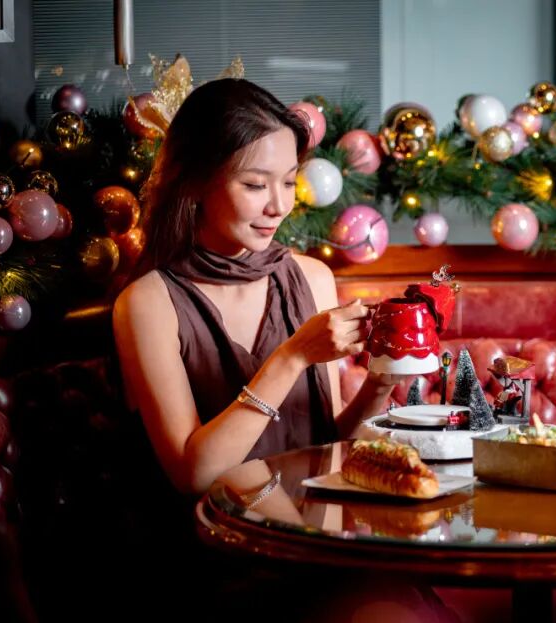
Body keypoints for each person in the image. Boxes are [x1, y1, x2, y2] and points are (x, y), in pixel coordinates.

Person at [113, 78, 399, 496]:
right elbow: (194, 475)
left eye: (288, 182)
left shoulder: (313, 278)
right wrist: (292, 357)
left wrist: (381, 381)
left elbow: (326, 445)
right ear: (194, 183)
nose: (279, 206)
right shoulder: (148, 303)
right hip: (217, 531)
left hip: (313, 523)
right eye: (254, 185)